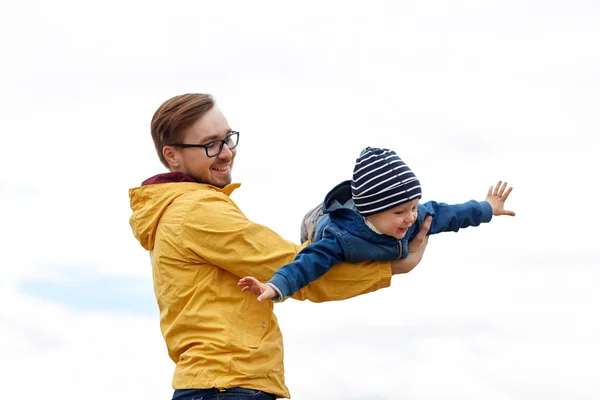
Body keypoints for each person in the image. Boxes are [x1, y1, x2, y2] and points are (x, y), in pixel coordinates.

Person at [128, 94, 432, 400]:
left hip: (223, 384)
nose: (226, 153)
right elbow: (292, 268)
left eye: (228, 139)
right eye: (211, 144)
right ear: (172, 156)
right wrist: (391, 267)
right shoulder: (196, 211)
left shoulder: (178, 210)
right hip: (228, 387)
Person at [239, 147, 515, 302]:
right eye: (399, 212)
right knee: (317, 243)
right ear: (371, 213)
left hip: (366, 222)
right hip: (322, 223)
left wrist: (487, 207)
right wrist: (276, 286)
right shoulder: (340, 238)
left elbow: (452, 214)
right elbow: (307, 262)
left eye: (413, 206)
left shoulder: (416, 218)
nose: (409, 217)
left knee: (429, 213)